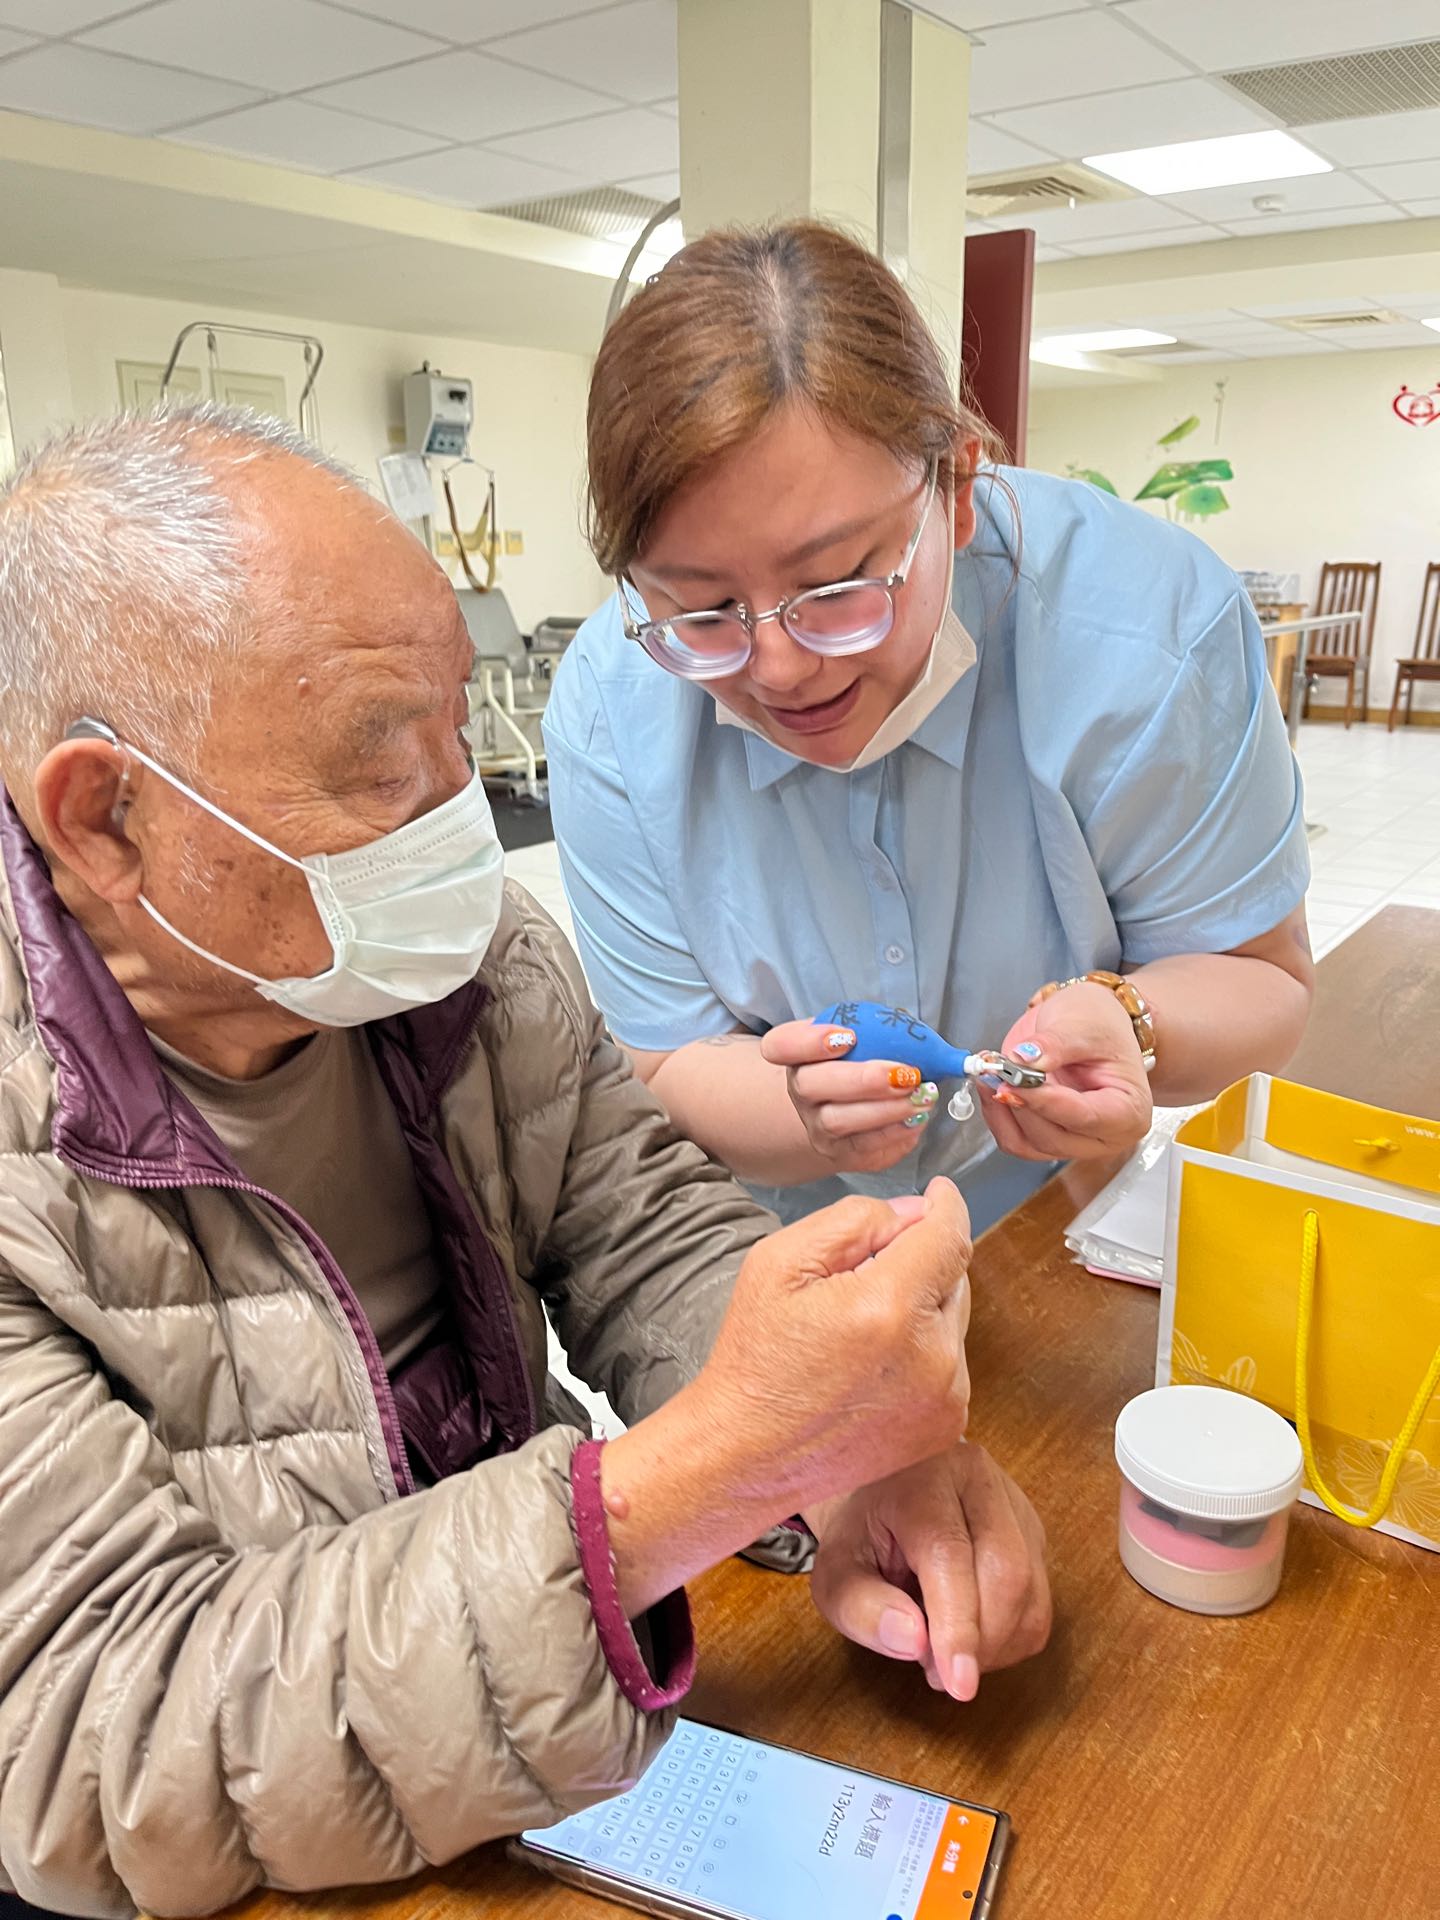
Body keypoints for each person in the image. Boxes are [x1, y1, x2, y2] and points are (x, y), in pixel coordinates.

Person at [0, 405, 1049, 1920]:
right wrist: (694, 1481)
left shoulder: (458, 959)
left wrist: (851, 1440)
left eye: (460, 725)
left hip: (542, 1715)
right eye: (378, 765)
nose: (463, 818)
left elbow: (632, 1215)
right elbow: (106, 1748)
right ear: (105, 821)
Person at [544, 220, 1316, 1233]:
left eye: (835, 586)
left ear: (954, 489)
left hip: (1061, 1220)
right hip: (785, 1236)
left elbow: (1263, 980)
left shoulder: (1150, 635)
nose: (777, 667)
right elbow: (671, 1055)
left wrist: (1137, 1020)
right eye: (700, 611)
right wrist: (804, 1113)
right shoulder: (613, 705)